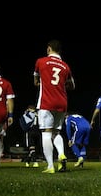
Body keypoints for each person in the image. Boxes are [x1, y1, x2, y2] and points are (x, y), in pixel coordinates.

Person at [34, 39, 75, 173]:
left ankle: (50, 166)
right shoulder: (65, 66)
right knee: (56, 132)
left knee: (46, 133)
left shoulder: (41, 61)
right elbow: (72, 85)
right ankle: (61, 153)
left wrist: (42, 82)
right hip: (62, 101)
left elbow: (36, 80)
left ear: (49, 48)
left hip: (47, 101)